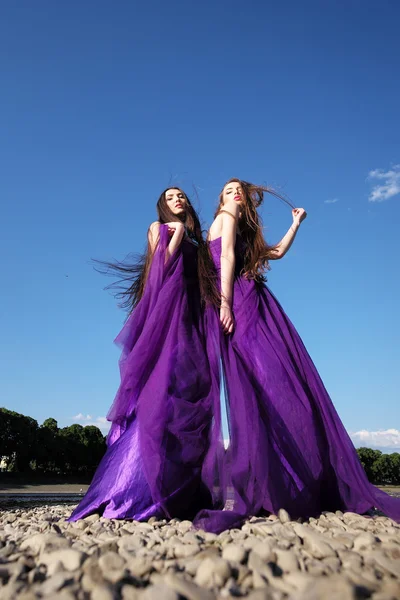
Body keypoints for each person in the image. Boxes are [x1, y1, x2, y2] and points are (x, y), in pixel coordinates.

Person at [194, 178, 400, 533]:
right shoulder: (226, 216)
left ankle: (281, 485)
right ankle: (276, 485)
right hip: (239, 302)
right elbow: (225, 256)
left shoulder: (243, 229)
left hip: (255, 303)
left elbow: (274, 253)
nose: (234, 194)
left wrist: (295, 224)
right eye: (227, 191)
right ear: (222, 200)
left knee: (268, 387)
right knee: (265, 386)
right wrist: (226, 303)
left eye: (238, 189)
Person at [68, 187, 218, 522]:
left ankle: (181, 490)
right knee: (160, 394)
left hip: (193, 323)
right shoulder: (159, 228)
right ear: (162, 207)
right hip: (168, 320)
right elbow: (160, 270)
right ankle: (132, 490)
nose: (177, 199)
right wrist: (177, 232)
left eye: (180, 196)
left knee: (190, 396)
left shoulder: (198, 244)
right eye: (169, 198)